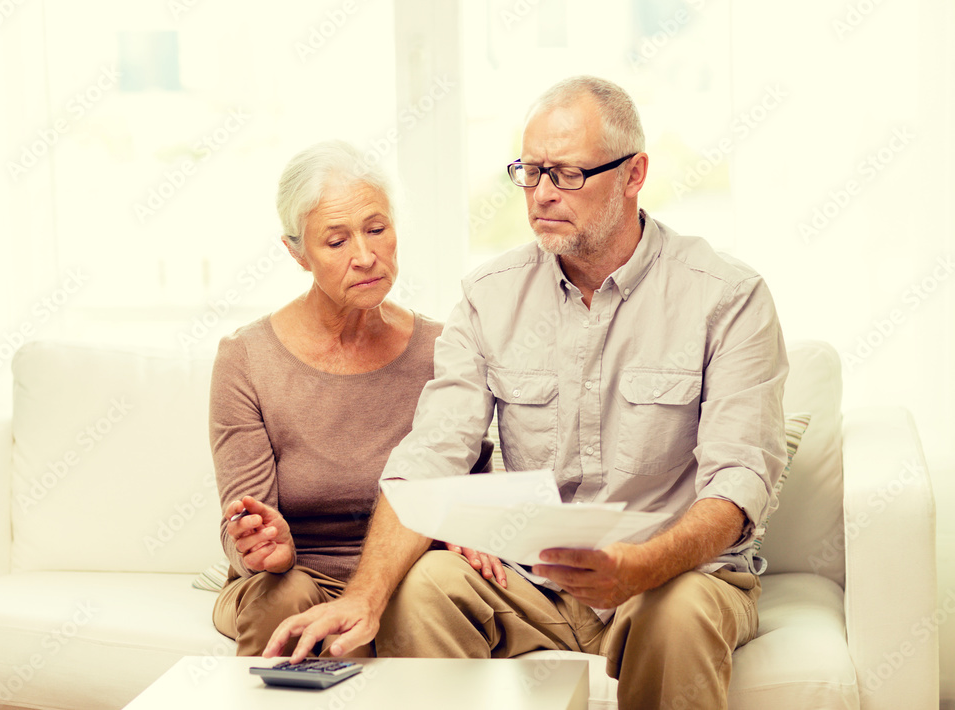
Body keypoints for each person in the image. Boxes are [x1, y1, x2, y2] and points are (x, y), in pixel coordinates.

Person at [263, 77, 788, 708]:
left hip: (672, 577)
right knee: (424, 587)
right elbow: (431, 457)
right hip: (532, 585)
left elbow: (738, 482)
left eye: (566, 174)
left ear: (633, 174)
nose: (540, 195)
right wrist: (363, 597)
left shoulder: (726, 296)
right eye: (530, 172)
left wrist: (639, 568)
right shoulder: (489, 295)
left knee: (676, 614)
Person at [209, 140, 488, 657]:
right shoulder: (245, 358)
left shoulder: (443, 347)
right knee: (283, 596)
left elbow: (478, 482)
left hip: (405, 573)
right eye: (336, 242)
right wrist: (261, 547)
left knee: (429, 589)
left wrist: (464, 520)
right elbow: (239, 523)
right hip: (293, 575)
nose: (365, 256)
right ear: (297, 253)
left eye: (377, 230)